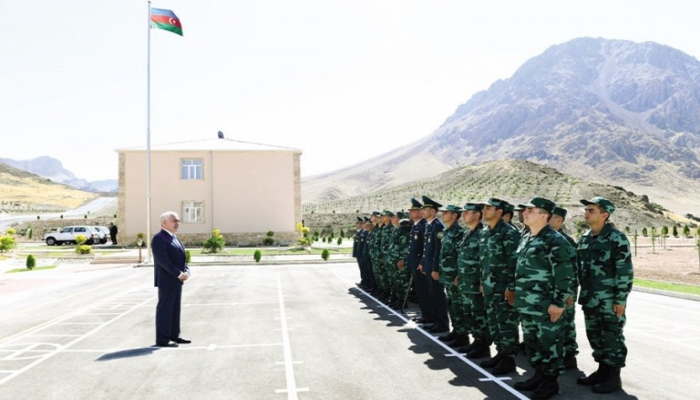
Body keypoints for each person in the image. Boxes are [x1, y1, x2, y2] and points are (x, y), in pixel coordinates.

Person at [513, 197, 575, 400]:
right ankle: (538, 375)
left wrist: (558, 303)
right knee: (532, 343)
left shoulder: (555, 240)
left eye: (531, 210)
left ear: (544, 215)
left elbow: (565, 275)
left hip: (546, 305)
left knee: (550, 343)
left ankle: (550, 383)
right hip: (527, 304)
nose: (525, 213)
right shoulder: (527, 237)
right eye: (525, 210)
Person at [576, 197, 633, 394]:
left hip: (609, 299)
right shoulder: (585, 238)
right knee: (594, 335)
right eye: (586, 209)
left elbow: (624, 271)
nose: (586, 213)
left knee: (611, 336)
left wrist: (620, 299)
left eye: (591, 210)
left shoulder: (616, 238)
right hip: (589, 297)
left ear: (604, 215)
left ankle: (613, 377)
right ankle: (602, 370)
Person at [479, 198, 521, 375]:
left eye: (489, 208)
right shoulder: (486, 232)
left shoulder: (509, 233)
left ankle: (509, 360)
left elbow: (515, 263)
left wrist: (511, 287)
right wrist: (482, 282)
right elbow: (484, 260)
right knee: (494, 323)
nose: (484, 210)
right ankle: (501, 353)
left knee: (506, 325)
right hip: (489, 287)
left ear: (500, 212)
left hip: (503, 288)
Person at [456, 203, 491, 359]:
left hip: (476, 283)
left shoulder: (482, 234)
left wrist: (483, 281)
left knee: (479, 315)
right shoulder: (467, 233)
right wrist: (459, 275)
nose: (463, 216)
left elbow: (485, 260)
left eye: (467, 213)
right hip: (465, 282)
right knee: (469, 314)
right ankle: (476, 342)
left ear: (477, 215)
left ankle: (483, 346)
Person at [152, 211, 191, 347]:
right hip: (167, 281)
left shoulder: (174, 237)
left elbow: (182, 258)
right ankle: (162, 339)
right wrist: (178, 274)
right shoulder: (159, 238)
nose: (177, 223)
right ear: (164, 222)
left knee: (175, 309)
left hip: (177, 280)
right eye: (174, 221)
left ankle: (175, 335)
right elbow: (164, 261)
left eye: (178, 221)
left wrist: (186, 271)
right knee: (165, 310)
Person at [549, 206, 579, 369]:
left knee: (567, 323)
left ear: (559, 220)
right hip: (553, 290)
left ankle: (569, 354)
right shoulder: (547, 238)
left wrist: (568, 292)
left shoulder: (565, 241)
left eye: (550, 217)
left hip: (566, 290)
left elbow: (572, 270)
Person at [436, 205, 468, 347]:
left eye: (446, 213)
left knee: (458, 306)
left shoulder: (458, 233)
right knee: (451, 305)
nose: (443, 214)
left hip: (454, 276)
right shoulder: (447, 232)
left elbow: (459, 256)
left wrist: (458, 274)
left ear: (454, 215)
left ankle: (462, 335)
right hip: (447, 276)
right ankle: (456, 331)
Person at [418, 195, 449, 333]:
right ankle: (436, 321)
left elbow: (438, 250)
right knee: (432, 295)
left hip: (434, 269)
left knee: (437, 296)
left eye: (425, 209)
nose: (422, 211)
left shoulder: (437, 227)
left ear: (433, 212)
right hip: (429, 267)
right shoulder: (429, 226)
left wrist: (435, 269)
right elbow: (426, 250)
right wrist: (424, 264)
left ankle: (442, 323)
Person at [406, 199, 431, 323]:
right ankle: (425, 314)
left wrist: (421, 262)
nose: (410, 213)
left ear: (420, 213)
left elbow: (424, 248)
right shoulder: (416, 226)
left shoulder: (423, 226)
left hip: (420, 265)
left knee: (424, 291)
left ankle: (428, 315)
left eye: (413, 211)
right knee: (420, 291)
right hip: (415, 264)